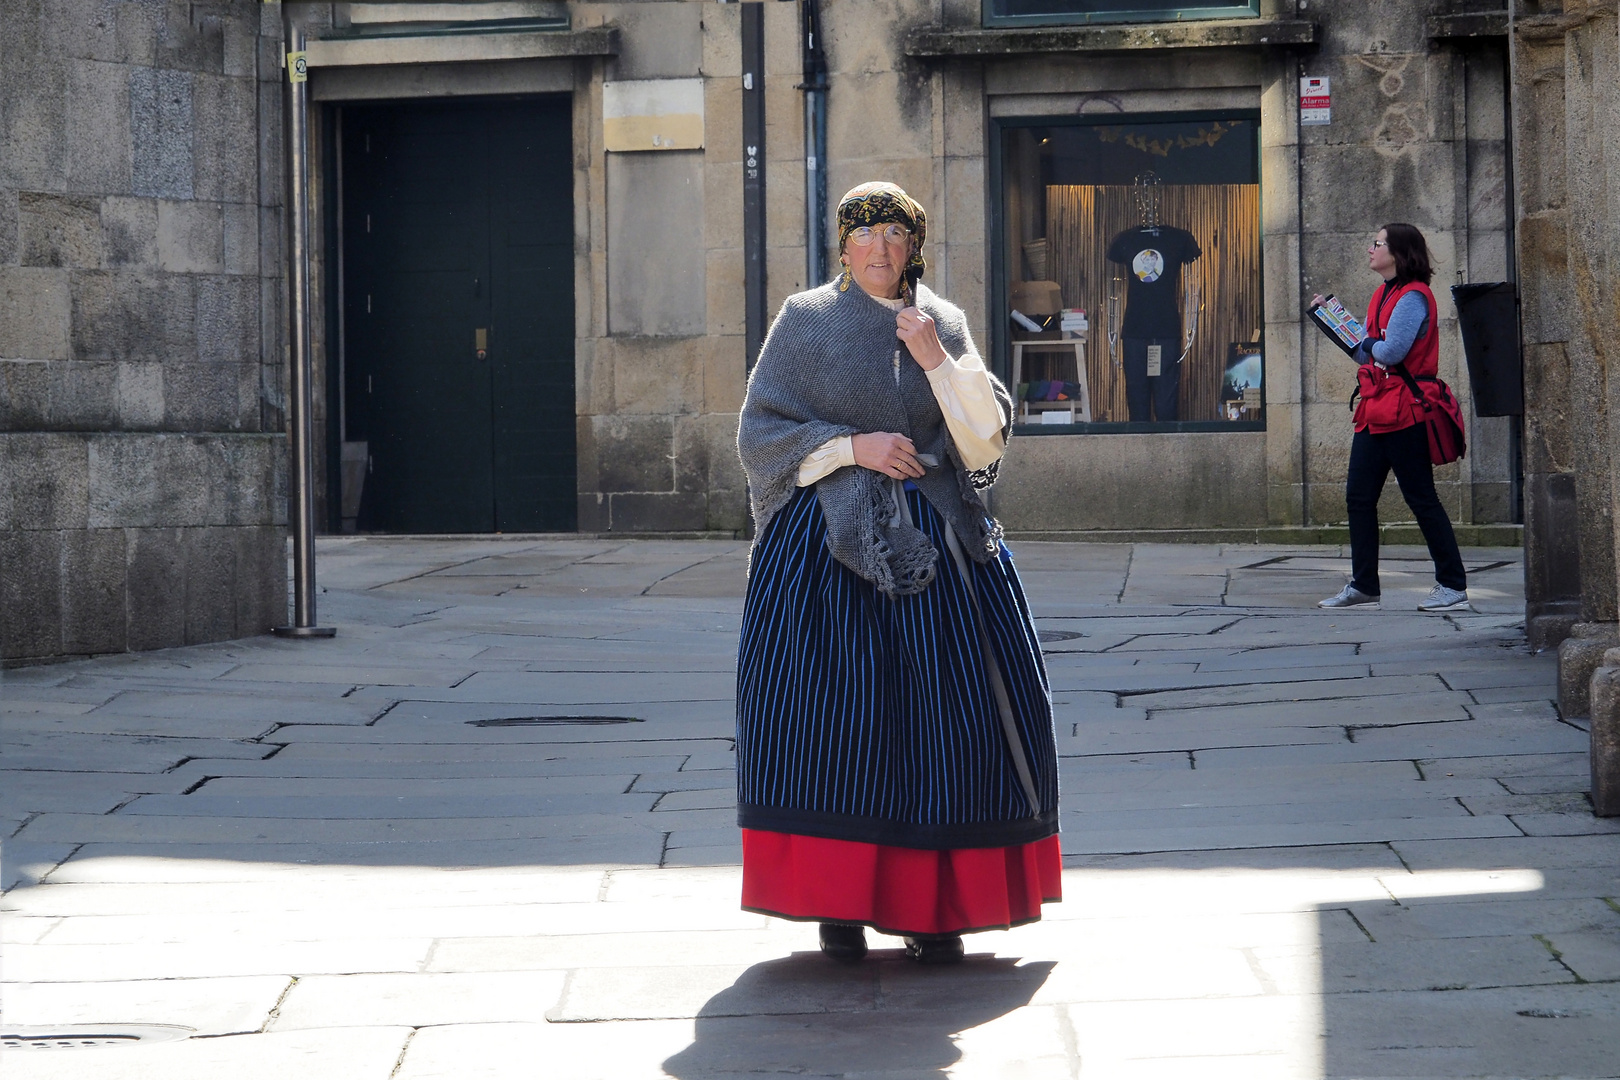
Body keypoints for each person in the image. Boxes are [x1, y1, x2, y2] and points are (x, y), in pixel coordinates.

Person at [734, 182, 1061, 966]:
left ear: (915, 245)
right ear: (842, 246)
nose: (880, 249)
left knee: (949, 722)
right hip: (828, 550)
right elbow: (761, 434)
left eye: (895, 235)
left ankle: (935, 908)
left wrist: (936, 360)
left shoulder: (941, 321)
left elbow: (983, 440)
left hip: (939, 547)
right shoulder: (805, 320)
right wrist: (856, 448)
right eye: (864, 234)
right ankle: (838, 906)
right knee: (832, 722)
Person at [1316, 223, 1469, 613]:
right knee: (1359, 497)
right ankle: (1364, 585)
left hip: (1406, 410)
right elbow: (1368, 353)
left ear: (1399, 253)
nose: (1370, 249)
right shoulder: (1383, 294)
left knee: (1421, 497)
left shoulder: (1413, 297)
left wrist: (1366, 343)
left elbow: (1391, 352)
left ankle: (1452, 585)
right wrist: (1334, 323)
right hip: (1377, 408)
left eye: (1377, 243)